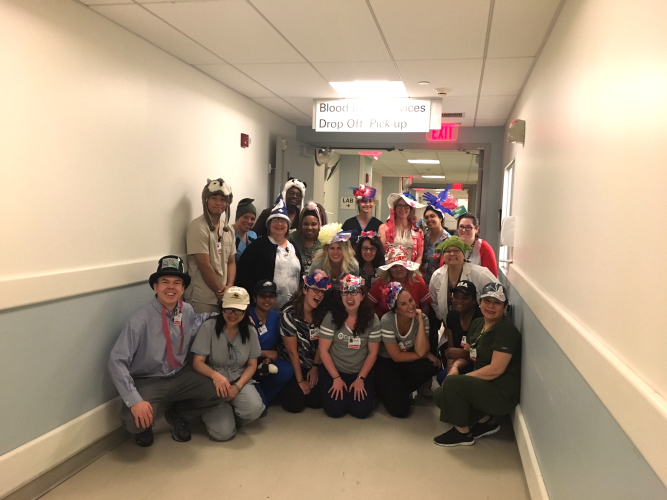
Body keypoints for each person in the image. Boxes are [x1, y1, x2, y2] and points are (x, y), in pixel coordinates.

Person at [108, 256, 222, 447]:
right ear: (155, 287)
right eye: (165, 282)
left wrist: (230, 317)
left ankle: (178, 414)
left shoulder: (186, 310)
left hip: (180, 374)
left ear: (183, 288)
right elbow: (116, 361)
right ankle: (145, 425)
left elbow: (199, 321)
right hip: (150, 379)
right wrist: (135, 401)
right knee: (132, 422)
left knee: (221, 390)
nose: (171, 287)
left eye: (177, 282)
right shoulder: (139, 320)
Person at [433, 283, 521, 447]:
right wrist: (455, 367)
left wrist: (462, 380)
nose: (491, 306)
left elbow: (496, 369)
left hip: (500, 391)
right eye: (487, 301)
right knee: (440, 395)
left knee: (453, 384)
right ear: (480, 303)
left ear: (505, 306)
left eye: (497, 302)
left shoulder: (506, 331)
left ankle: (463, 434)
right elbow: (467, 355)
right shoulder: (478, 324)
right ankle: (485, 421)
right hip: (482, 384)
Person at [191, 287, 265, 441]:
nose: (232, 315)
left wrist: (237, 387)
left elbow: (252, 365)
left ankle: (229, 414)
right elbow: (197, 363)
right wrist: (215, 376)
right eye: (228, 310)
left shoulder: (250, 331)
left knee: (256, 409)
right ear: (222, 308)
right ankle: (217, 412)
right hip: (213, 383)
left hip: (239, 378)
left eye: (238, 311)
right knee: (223, 434)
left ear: (245, 311)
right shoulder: (208, 327)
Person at [318, 274, 381, 419]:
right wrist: (336, 377)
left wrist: (361, 378)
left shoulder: (372, 318)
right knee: (335, 411)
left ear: (363, 296)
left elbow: (373, 353)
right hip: (335, 369)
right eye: (345, 292)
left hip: (360, 371)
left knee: (361, 411)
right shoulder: (331, 317)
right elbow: (323, 350)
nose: (349, 297)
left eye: (354, 292)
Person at [375, 283, 441, 418]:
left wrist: (421, 321)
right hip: (387, 361)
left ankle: (397, 390)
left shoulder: (422, 318)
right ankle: (387, 390)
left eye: (411, 300)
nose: (411, 306)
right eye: (403, 304)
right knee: (401, 411)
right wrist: (425, 354)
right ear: (396, 309)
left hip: (407, 359)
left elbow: (421, 350)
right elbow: (396, 357)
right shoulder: (387, 320)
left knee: (430, 366)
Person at [236, 194, 304, 310]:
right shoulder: (257, 247)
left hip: (291, 309)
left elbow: (301, 276)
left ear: (288, 226)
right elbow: (243, 277)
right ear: (268, 224)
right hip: (263, 309)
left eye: (283, 220)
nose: (279, 224)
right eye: (275, 220)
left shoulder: (293, 248)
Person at [277, 271, 330, 413]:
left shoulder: (322, 313)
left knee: (317, 401)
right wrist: (300, 380)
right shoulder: (289, 314)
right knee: (294, 405)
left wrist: (315, 367)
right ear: (305, 289)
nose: (319, 295)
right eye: (315, 290)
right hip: (293, 365)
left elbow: (322, 344)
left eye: (322, 292)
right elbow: (292, 352)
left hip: (313, 363)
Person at [185, 178, 236, 313]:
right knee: (201, 333)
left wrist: (229, 287)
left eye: (223, 199)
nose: (219, 203)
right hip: (203, 299)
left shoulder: (228, 229)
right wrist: (220, 291)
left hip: (223, 296)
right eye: (214, 198)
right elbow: (204, 265)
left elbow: (231, 262)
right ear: (206, 200)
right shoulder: (198, 227)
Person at [429, 236, 498, 321]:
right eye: (447, 251)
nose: (452, 254)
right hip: (451, 326)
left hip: (479, 325)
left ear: (464, 254)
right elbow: (434, 302)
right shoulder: (436, 276)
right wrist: (445, 322)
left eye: (456, 250)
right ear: (443, 255)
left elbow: (498, 295)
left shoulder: (480, 274)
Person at [249, 280, 294, 409]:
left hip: (266, 362)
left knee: (286, 370)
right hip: (246, 363)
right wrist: (263, 353)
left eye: (271, 296)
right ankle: (256, 398)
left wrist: (269, 356)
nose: (267, 300)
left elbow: (276, 342)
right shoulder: (246, 316)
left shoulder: (276, 317)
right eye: (263, 296)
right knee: (260, 411)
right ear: (255, 298)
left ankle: (264, 397)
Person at [436, 280, 483, 384]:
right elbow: (451, 351)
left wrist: (462, 353)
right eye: (456, 296)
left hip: (477, 364)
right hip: (458, 362)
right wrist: (450, 375)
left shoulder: (480, 319)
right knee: (443, 377)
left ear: (474, 300)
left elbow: (482, 356)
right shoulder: (451, 316)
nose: (459, 301)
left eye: (465, 298)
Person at [368, 246, 431, 319]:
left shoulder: (418, 281)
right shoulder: (380, 283)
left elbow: (425, 306)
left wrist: (419, 322)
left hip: (412, 322)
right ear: (389, 269)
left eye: (401, 265)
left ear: (407, 267)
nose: (398, 269)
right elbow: (369, 305)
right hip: (383, 323)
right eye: (394, 266)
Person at [378, 192, 425, 265]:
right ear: (395, 208)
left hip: (411, 272)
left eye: (406, 206)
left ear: (410, 209)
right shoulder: (384, 228)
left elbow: (419, 257)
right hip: (389, 271)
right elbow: (381, 253)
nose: (403, 209)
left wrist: (413, 271)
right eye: (400, 205)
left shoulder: (417, 230)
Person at [455, 213, 498, 278]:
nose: (464, 230)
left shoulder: (484, 248)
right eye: (461, 226)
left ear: (476, 229)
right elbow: (442, 272)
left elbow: (491, 277)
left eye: (468, 227)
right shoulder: (450, 245)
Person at [289, 201, 326, 270]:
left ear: (320, 225)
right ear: (301, 224)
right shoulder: (291, 239)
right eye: (306, 224)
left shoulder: (326, 241)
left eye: (313, 224)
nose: (309, 227)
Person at [420, 205, 450, 285]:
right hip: (423, 282)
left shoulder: (448, 240)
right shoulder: (424, 237)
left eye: (432, 216)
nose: (429, 219)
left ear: (440, 218)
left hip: (439, 282)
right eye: (427, 217)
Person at [233, 198, 257, 265]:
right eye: (245, 217)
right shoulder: (228, 235)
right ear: (237, 217)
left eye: (252, 219)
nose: (249, 221)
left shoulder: (253, 236)